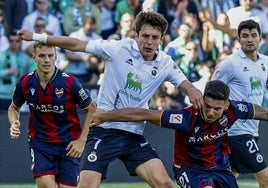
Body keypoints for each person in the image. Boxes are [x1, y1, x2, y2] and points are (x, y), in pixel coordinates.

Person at [17, 11, 203, 188]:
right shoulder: (118, 48)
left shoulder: (165, 63)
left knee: (164, 184)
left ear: (162, 39)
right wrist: (37, 37)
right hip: (103, 131)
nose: (149, 42)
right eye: (145, 36)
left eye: (155, 38)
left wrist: (193, 91)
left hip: (133, 135)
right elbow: (77, 45)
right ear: (136, 35)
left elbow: (184, 82)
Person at [89, 80, 268, 188]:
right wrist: (106, 115)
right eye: (208, 106)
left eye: (217, 109)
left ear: (227, 105)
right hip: (189, 170)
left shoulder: (235, 109)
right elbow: (143, 114)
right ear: (202, 100)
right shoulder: (184, 118)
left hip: (221, 168)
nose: (211, 112)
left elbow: (261, 112)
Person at [8, 42, 96, 188]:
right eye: (42, 56)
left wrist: (82, 140)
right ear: (34, 57)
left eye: (50, 56)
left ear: (56, 57)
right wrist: (14, 123)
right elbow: (13, 108)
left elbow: (92, 109)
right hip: (40, 143)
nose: (47, 60)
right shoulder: (25, 82)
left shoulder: (69, 82)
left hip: (69, 145)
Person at [212, 19, 268, 187]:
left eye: (253, 35)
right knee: (265, 178)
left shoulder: (266, 62)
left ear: (260, 39)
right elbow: (212, 90)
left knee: (229, 178)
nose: (249, 39)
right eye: (244, 36)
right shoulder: (229, 64)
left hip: (252, 129)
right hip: (235, 131)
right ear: (238, 39)